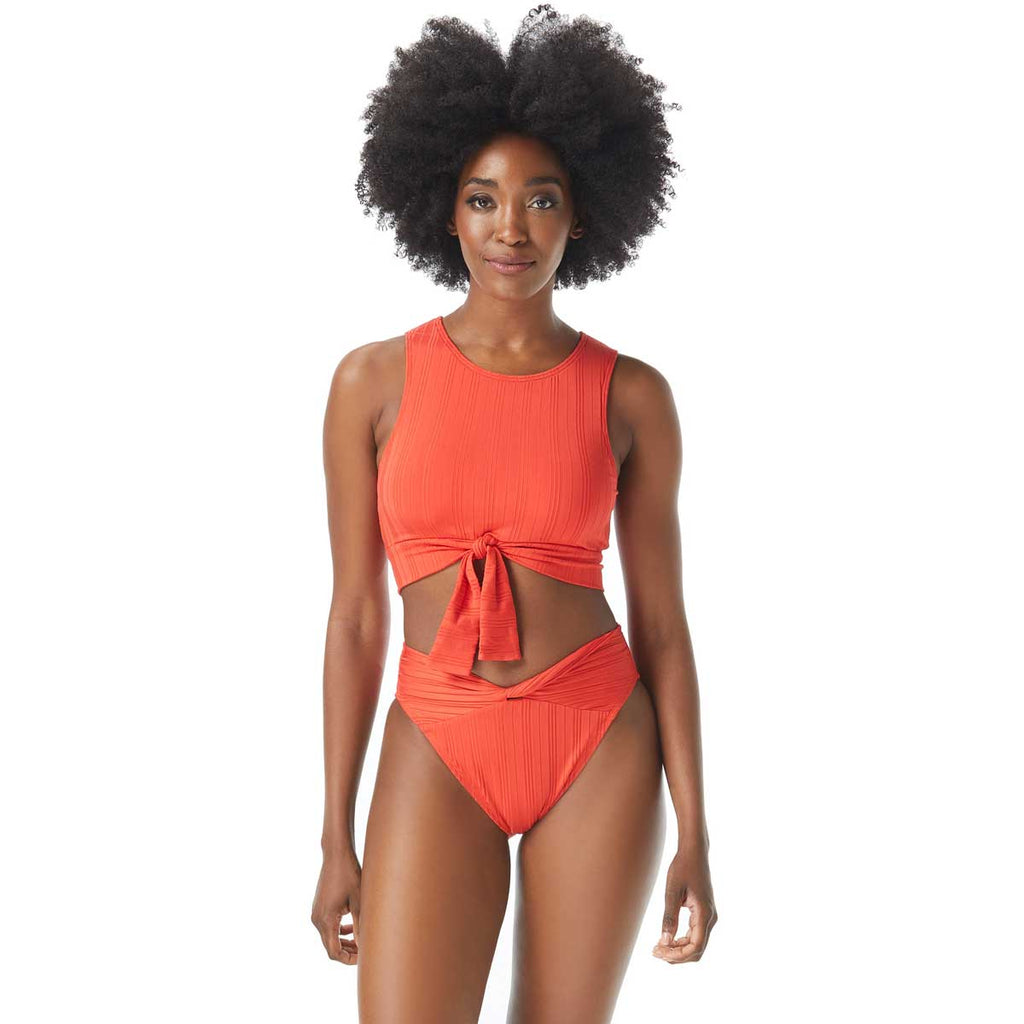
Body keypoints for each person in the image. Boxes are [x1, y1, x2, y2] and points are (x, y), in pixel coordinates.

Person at [312, 7, 717, 1020]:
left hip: (597, 738)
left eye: (541, 199)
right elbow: (356, 617)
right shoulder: (371, 383)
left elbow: (665, 627)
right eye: (482, 198)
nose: (511, 227)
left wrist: (697, 832)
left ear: (583, 215)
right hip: (436, 732)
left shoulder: (632, 395)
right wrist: (333, 834)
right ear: (442, 210)